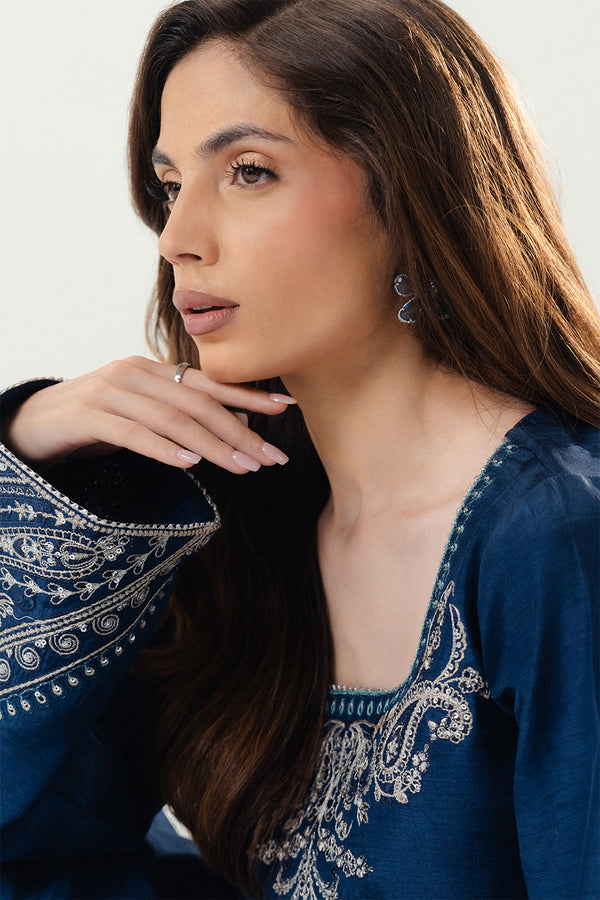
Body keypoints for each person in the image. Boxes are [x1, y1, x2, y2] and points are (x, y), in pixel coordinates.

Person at [0, 0, 598, 897]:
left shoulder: (555, 536)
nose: (178, 239)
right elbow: (29, 834)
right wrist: (29, 440)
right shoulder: (233, 517)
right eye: (170, 186)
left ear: (408, 192)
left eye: (248, 172)